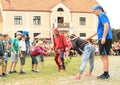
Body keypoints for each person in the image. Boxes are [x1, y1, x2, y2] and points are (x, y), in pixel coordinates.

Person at [87, 5, 112, 79]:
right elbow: (98, 31)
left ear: (98, 10)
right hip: (104, 38)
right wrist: (90, 37)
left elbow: (106, 26)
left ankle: (106, 74)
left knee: (104, 56)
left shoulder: (102, 15)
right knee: (103, 56)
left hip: (105, 38)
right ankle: (106, 73)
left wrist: (104, 37)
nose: (93, 12)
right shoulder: (100, 17)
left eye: (94, 11)